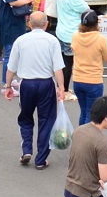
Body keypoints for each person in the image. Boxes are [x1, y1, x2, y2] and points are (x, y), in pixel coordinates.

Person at [7, 11, 67, 169]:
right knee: (46, 121)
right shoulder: (52, 41)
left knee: (25, 118)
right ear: (47, 24)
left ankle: (26, 149)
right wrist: (61, 88)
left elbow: (11, 67)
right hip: (46, 84)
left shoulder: (21, 40)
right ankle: (41, 159)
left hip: (26, 84)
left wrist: (7, 86)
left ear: (29, 23)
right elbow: (58, 68)